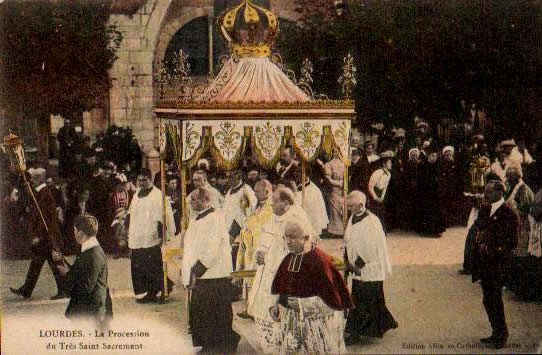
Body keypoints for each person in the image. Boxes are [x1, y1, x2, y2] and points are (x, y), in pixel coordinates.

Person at [247, 187, 315, 353]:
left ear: (285, 203)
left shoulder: (295, 220)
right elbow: (264, 237)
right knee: (265, 320)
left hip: (283, 278)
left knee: (280, 321)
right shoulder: (276, 217)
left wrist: (267, 259)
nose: (271, 205)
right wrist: (259, 254)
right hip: (266, 275)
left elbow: (293, 254)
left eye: (274, 202)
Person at [270, 220, 353, 354]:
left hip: (314, 329)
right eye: (286, 237)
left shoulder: (319, 261)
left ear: (306, 238)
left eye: (293, 237)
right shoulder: (287, 259)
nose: (288, 241)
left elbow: (332, 303)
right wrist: (277, 305)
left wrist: (302, 305)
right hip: (290, 325)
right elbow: (283, 288)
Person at [182, 188, 240, 353]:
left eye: (193, 199)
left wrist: (196, 270)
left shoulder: (215, 217)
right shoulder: (197, 218)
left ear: (203, 200)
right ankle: (210, 345)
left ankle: (225, 345)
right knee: (203, 312)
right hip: (203, 273)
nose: (190, 203)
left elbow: (212, 249)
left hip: (214, 273)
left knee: (216, 312)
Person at [343, 191, 398, 344]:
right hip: (356, 267)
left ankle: (355, 333)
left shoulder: (373, 222)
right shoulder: (353, 217)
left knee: (366, 299)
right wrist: (347, 259)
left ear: (361, 205)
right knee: (365, 299)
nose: (349, 209)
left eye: (351, 206)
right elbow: (348, 239)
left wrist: (358, 265)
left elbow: (373, 247)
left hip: (369, 267)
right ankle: (383, 323)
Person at [471, 180, 519, 349]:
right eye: (485, 191)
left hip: (498, 262)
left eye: (489, 192)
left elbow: (511, 241)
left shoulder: (508, 213)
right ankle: (495, 332)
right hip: (485, 261)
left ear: (499, 192)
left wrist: (491, 247)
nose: (486, 195)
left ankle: (501, 335)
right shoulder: (486, 209)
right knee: (488, 299)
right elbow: (478, 226)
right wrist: (479, 238)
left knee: (495, 299)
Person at [10, 168, 66, 299]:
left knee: (55, 264)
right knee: (38, 262)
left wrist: (37, 236)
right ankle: (26, 290)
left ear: (40, 178)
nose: (32, 180)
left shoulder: (44, 193)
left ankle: (64, 290)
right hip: (46, 235)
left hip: (47, 235)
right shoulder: (39, 193)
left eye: (34, 178)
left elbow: (43, 218)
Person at [55, 214, 113, 326]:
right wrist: (63, 261)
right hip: (91, 309)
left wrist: (67, 274)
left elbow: (85, 288)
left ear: (81, 234)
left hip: (92, 313)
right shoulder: (89, 249)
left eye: (75, 230)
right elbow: (81, 272)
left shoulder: (92, 255)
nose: (74, 233)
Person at [128, 168, 175, 303]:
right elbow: (132, 214)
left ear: (150, 179)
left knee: (152, 266)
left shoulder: (158, 196)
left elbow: (164, 217)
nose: (141, 183)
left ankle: (161, 289)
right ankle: (148, 292)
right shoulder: (136, 194)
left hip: (151, 236)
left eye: (144, 180)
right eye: (139, 180)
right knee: (140, 267)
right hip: (137, 236)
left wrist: (162, 236)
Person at [235, 179, 274, 319]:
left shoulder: (271, 206)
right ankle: (249, 308)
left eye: (257, 191)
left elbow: (257, 223)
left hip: (260, 246)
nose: (255, 194)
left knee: (257, 280)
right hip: (250, 245)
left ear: (267, 191)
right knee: (249, 280)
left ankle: (256, 311)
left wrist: (247, 221)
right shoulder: (259, 204)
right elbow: (251, 217)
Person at [223, 169, 257, 269]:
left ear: (239, 177)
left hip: (239, 231)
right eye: (227, 177)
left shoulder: (246, 190)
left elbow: (248, 213)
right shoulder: (229, 191)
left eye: (230, 177)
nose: (227, 180)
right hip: (228, 230)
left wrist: (233, 232)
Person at [414, 146, 446, 236]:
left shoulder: (437, 165)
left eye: (435, 156)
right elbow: (421, 179)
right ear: (428, 156)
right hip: (426, 192)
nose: (434, 158)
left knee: (436, 211)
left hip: (435, 192)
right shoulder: (423, 166)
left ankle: (436, 230)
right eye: (432, 156)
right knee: (427, 211)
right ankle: (427, 231)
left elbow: (440, 177)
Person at [504, 167, 535, 256]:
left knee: (521, 250)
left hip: (523, 224)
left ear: (516, 178)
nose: (507, 179)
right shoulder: (510, 188)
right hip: (513, 223)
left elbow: (524, 209)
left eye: (509, 177)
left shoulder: (524, 189)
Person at [320, 149, 345, 237]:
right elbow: (328, 179)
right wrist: (339, 183)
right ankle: (334, 231)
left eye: (338, 151)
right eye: (335, 152)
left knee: (342, 209)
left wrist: (344, 184)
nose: (337, 153)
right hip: (334, 189)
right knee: (334, 210)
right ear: (332, 153)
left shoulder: (344, 163)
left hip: (343, 190)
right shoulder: (328, 164)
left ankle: (342, 230)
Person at [367, 151, 394, 233]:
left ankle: (381, 232)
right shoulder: (377, 172)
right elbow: (370, 186)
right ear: (384, 164)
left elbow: (385, 187)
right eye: (389, 162)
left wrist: (382, 197)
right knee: (373, 213)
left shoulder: (389, 174)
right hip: (373, 194)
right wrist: (375, 198)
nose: (391, 164)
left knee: (381, 212)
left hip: (381, 194)